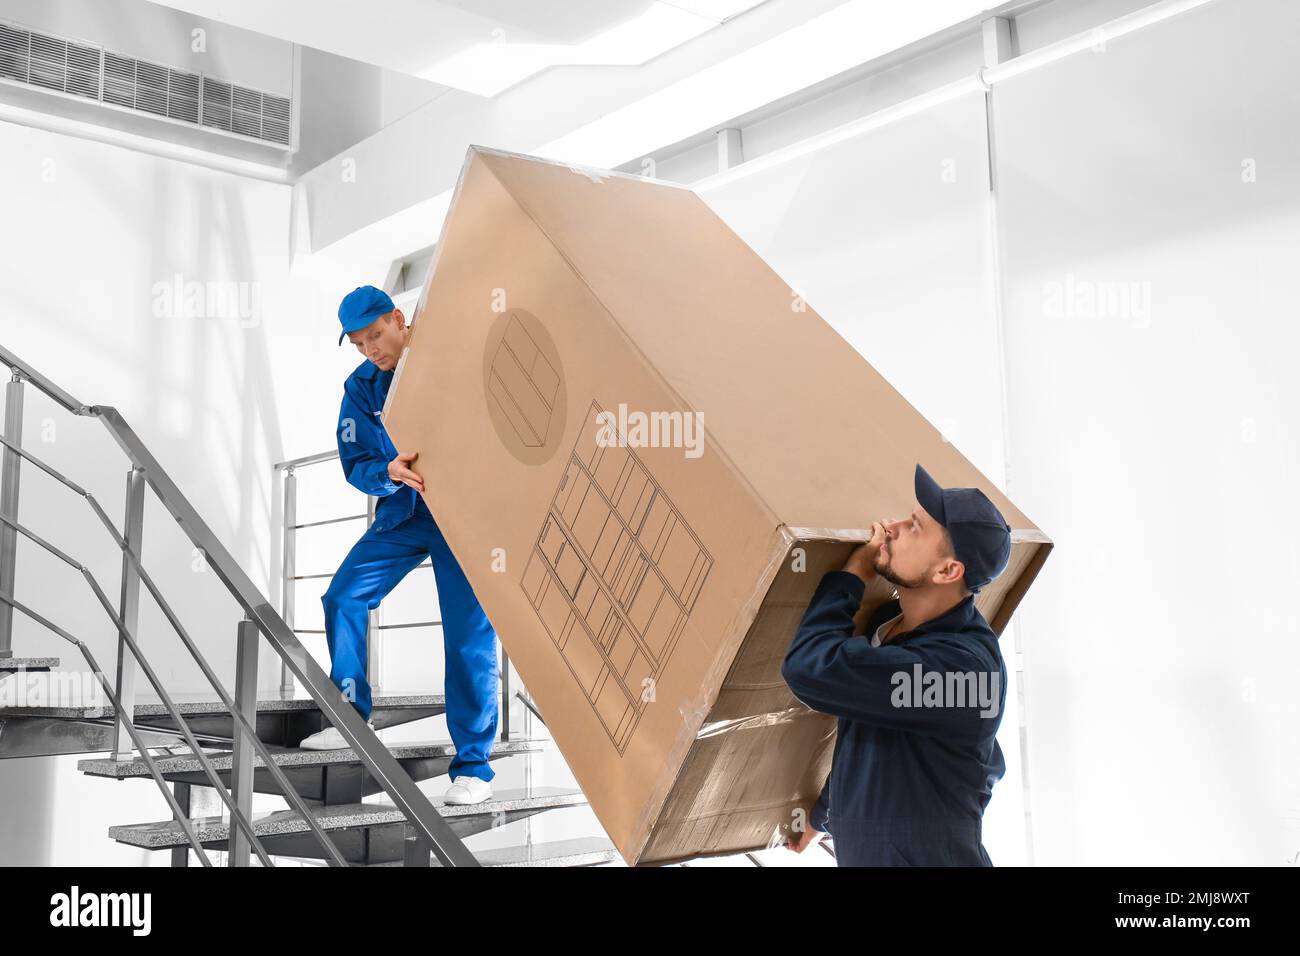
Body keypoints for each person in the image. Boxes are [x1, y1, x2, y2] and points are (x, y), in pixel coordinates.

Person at [297, 285, 499, 807]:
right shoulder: (361, 387)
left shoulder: (449, 356)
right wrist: (386, 473)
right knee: (342, 597)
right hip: (405, 513)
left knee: (467, 635)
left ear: (398, 319)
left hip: (464, 515)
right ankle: (349, 717)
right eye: (361, 344)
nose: (372, 350)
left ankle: (473, 767)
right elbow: (356, 462)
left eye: (376, 336)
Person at [781, 463, 1013, 865]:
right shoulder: (887, 627)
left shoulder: (962, 675)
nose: (893, 526)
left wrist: (850, 575)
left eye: (916, 527)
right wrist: (823, 818)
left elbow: (807, 668)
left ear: (947, 570)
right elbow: (877, 733)